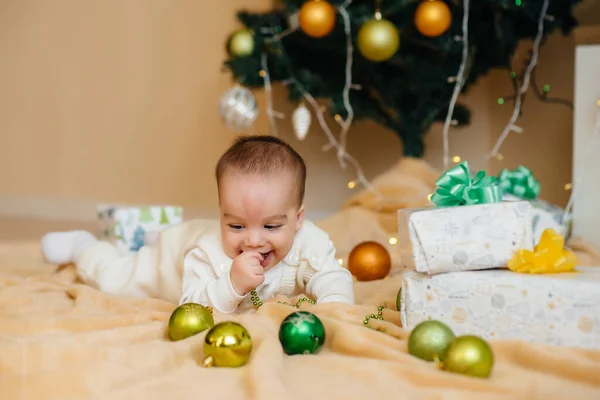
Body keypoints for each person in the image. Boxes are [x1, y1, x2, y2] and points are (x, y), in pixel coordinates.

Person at [40, 135, 355, 312]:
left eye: (271, 227)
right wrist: (231, 284)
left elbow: (332, 277)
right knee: (114, 279)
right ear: (221, 215)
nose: (254, 241)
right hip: (167, 263)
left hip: (182, 242)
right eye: (236, 226)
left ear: (298, 219)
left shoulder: (309, 242)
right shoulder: (207, 253)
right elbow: (191, 307)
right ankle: (84, 246)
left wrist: (334, 310)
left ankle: (140, 236)